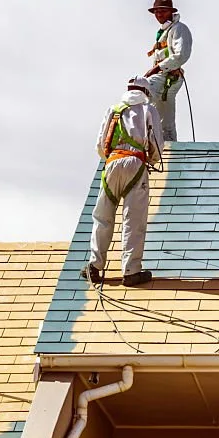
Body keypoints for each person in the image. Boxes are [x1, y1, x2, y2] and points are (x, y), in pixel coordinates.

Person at [82, 76, 164, 287]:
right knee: (133, 220)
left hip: (112, 163)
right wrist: (152, 159)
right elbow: (156, 144)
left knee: (103, 216)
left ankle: (94, 266)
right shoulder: (148, 110)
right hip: (135, 165)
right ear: (145, 93)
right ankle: (131, 271)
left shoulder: (114, 109)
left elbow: (101, 145)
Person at [143, 0, 193, 142]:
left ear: (171, 11)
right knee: (164, 118)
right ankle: (168, 145)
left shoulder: (179, 29)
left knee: (140, 92)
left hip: (167, 76)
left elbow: (181, 55)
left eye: (163, 11)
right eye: (157, 12)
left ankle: (134, 136)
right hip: (164, 76)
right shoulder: (165, 31)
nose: (159, 15)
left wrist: (157, 69)